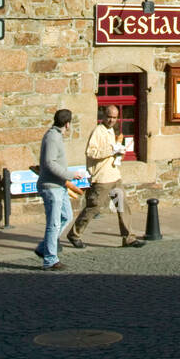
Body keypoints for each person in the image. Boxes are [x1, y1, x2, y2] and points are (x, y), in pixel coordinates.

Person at [66, 106, 144, 248]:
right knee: (94, 207)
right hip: (101, 178)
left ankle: (128, 238)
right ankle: (74, 234)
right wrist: (111, 150)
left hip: (114, 175)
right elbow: (91, 152)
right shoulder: (98, 131)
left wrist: (119, 153)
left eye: (114, 117)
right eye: (109, 117)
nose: (112, 120)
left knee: (122, 206)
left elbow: (112, 152)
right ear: (103, 116)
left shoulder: (111, 131)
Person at [35, 108, 82, 269]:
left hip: (59, 186)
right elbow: (49, 163)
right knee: (53, 224)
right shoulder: (53, 137)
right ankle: (50, 259)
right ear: (68, 124)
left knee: (66, 216)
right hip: (51, 187)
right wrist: (69, 175)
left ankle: (44, 248)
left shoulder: (56, 136)